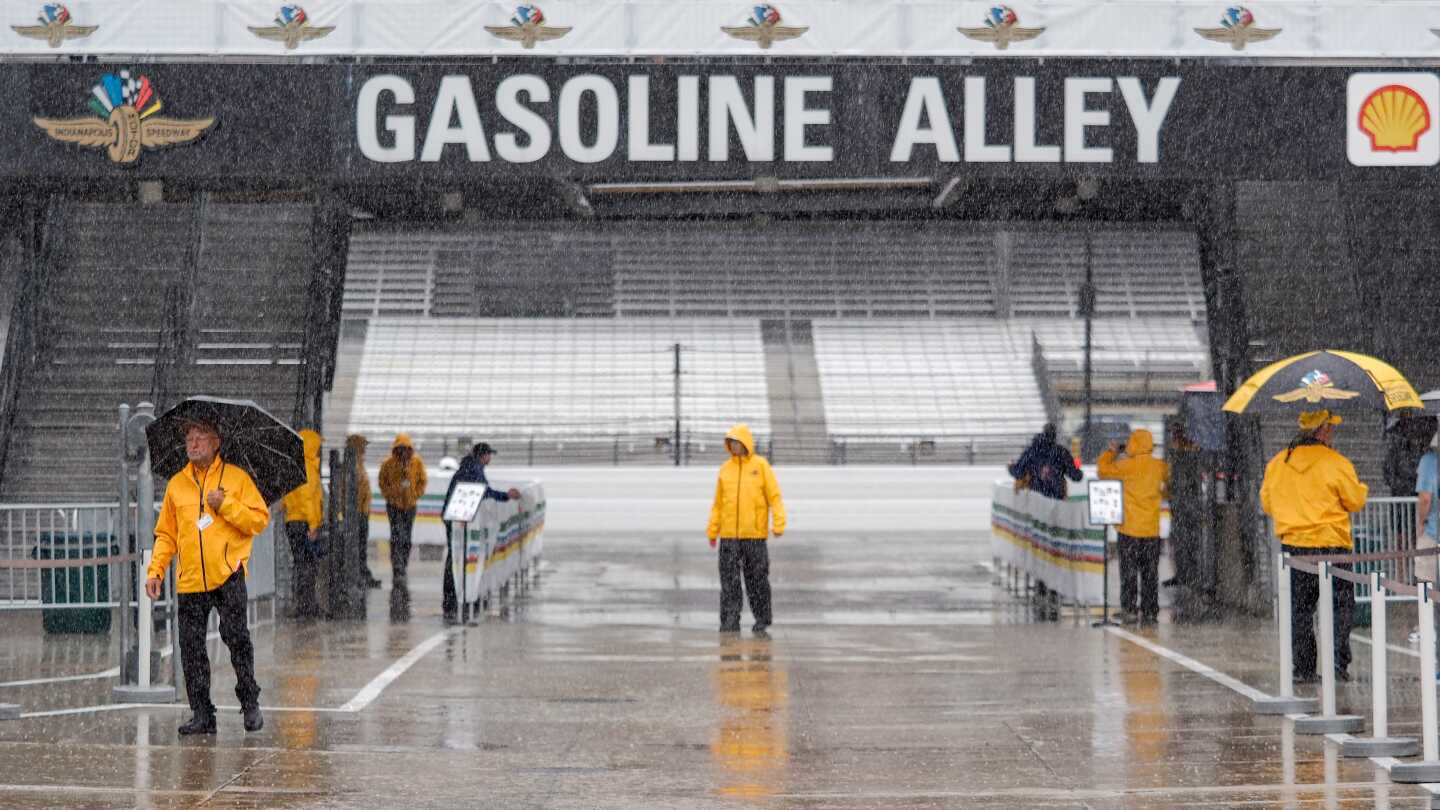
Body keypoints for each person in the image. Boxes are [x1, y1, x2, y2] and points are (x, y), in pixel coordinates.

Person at [145, 420, 270, 735]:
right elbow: (166, 535)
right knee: (191, 649)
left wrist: (225, 504)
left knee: (237, 640)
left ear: (216, 443)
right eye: (189, 438)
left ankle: (250, 702)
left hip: (227, 574)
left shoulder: (236, 478)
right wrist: (156, 569)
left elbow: (258, 520)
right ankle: (202, 713)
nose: (193, 443)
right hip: (190, 580)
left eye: (200, 438)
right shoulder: (177, 485)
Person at [1260, 409, 1368, 683]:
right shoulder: (1336, 463)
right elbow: (1355, 501)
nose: (1332, 433)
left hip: (1296, 551)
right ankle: (1337, 666)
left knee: (1299, 611)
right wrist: (1361, 488)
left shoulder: (1277, 463)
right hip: (1332, 547)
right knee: (1340, 608)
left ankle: (1305, 669)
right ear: (1322, 430)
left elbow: (1267, 504)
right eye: (1331, 428)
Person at [706, 424, 786, 635]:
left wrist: (779, 523)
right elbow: (718, 504)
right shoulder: (725, 469)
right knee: (729, 583)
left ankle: (762, 618)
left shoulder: (761, 466)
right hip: (729, 538)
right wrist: (713, 530)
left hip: (754, 537)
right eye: (731, 443)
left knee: (757, 580)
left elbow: (774, 497)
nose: (734, 446)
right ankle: (730, 620)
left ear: (746, 444)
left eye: (738, 442)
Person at [440, 442, 521, 624]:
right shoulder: (475, 469)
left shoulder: (469, 466)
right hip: (459, 520)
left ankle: (454, 598)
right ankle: (459, 598)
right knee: (459, 558)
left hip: (455, 517)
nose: (490, 459)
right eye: (489, 455)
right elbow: (484, 491)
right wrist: (506, 495)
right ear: (483, 456)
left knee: (456, 557)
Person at [1098, 429, 1170, 625]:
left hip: (1129, 529)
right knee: (1150, 573)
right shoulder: (1159, 466)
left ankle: (1129, 609)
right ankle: (1150, 611)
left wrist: (1111, 452)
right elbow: (1171, 484)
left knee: (1128, 572)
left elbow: (1102, 471)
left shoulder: (1125, 466)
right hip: (1151, 530)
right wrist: (1161, 496)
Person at [280, 429, 323, 620]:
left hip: (293, 521)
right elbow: (307, 498)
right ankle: (307, 605)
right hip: (304, 522)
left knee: (301, 563)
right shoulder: (307, 466)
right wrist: (313, 524)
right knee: (308, 565)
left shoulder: (293, 464)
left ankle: (303, 604)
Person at [378, 434, 427, 594]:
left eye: (406, 449)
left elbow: (422, 481)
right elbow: (382, 481)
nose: (404, 452)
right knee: (397, 536)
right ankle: (398, 568)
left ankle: (402, 565)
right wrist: (390, 496)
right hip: (394, 506)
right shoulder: (388, 464)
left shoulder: (417, 463)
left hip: (410, 505)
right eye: (401, 449)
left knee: (406, 537)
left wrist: (415, 495)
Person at [1008, 423, 1083, 500]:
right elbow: (1076, 476)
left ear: (1043, 433)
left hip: (1036, 498)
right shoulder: (1061, 452)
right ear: (1055, 436)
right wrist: (1077, 464)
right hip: (1056, 499)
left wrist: (1010, 467)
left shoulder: (1031, 451)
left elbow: (1019, 472)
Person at [347, 434, 382, 589]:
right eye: (363, 446)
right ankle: (360, 575)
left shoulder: (358, 464)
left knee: (361, 547)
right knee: (358, 547)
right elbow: (352, 491)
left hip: (361, 512)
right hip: (357, 513)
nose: (365, 450)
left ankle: (363, 574)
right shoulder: (353, 466)